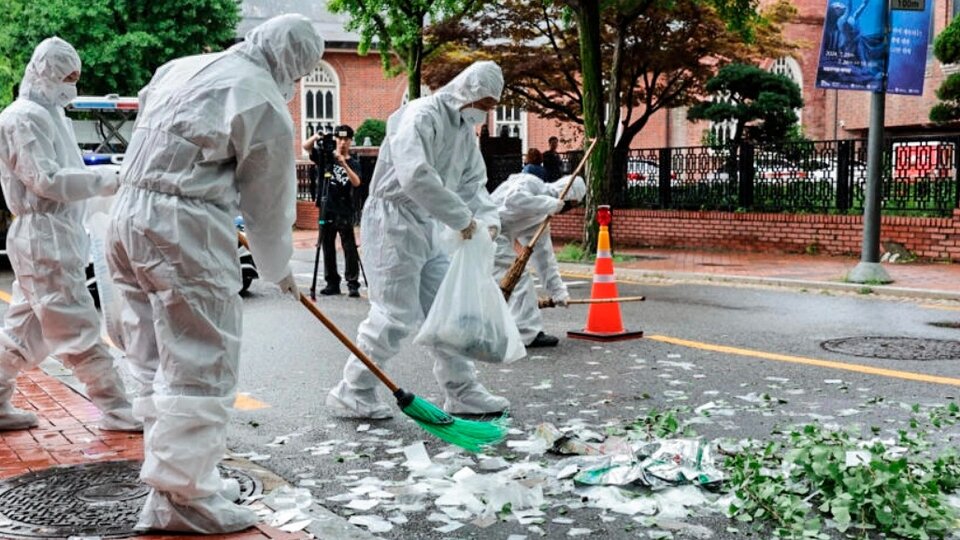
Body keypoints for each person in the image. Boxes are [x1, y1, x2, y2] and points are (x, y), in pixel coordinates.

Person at [105, 15, 324, 533]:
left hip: (127, 214)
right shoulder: (263, 101)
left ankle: (179, 478)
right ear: (294, 62)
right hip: (183, 228)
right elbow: (268, 206)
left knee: (153, 357)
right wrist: (279, 270)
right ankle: (184, 497)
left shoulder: (184, 66)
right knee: (200, 362)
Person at [326, 61, 509, 419]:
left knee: (447, 310)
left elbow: (473, 184)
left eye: (491, 107)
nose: (486, 113)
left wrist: (488, 221)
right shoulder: (420, 115)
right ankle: (353, 390)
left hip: (430, 222)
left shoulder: (462, 133)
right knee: (393, 314)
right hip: (393, 220)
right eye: (485, 104)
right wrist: (461, 217)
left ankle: (462, 391)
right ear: (467, 91)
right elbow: (415, 176)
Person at [0, 37, 139, 432]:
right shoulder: (21, 117)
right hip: (43, 236)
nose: (71, 85)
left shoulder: (52, 114)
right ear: (44, 72)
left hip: (57, 234)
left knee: (23, 333)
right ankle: (116, 408)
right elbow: (45, 180)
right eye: (67, 76)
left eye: (75, 77)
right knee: (76, 325)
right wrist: (108, 179)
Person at [491, 172, 586, 348]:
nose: (568, 209)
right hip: (489, 231)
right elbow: (514, 200)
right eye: (571, 204)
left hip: (496, 237)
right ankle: (526, 333)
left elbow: (544, 258)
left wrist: (558, 292)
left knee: (505, 283)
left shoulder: (541, 218)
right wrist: (549, 204)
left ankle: (503, 328)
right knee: (519, 279)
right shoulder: (531, 183)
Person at [303, 125, 363, 297]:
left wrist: (344, 164)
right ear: (335, 139)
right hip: (326, 208)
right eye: (339, 139)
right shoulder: (325, 158)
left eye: (346, 139)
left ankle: (353, 283)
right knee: (327, 246)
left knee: (349, 247)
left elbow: (357, 182)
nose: (342, 142)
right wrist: (317, 137)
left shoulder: (353, 162)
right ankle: (332, 283)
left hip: (344, 209)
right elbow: (306, 147)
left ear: (351, 141)